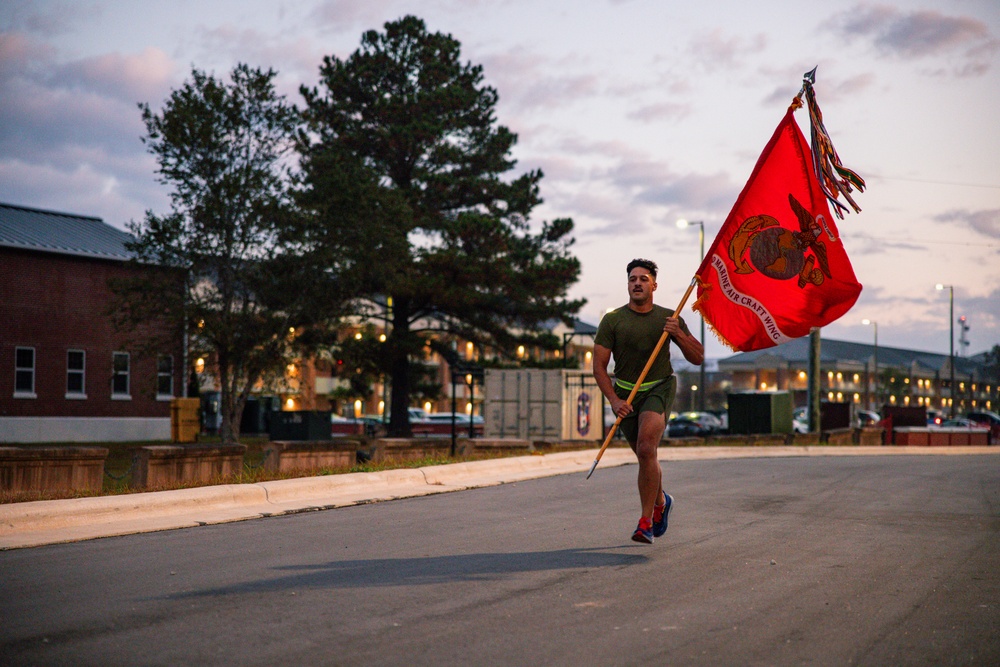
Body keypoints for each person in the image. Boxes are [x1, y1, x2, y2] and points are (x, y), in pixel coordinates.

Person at [592, 258, 704, 543]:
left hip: (659, 387)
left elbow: (698, 357)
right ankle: (661, 503)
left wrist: (677, 332)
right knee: (646, 456)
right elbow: (599, 368)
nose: (637, 283)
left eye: (643, 278)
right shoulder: (612, 320)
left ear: (654, 285)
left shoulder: (669, 317)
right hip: (626, 395)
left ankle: (645, 524)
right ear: (627, 284)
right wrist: (614, 400)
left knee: (645, 447)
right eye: (632, 279)